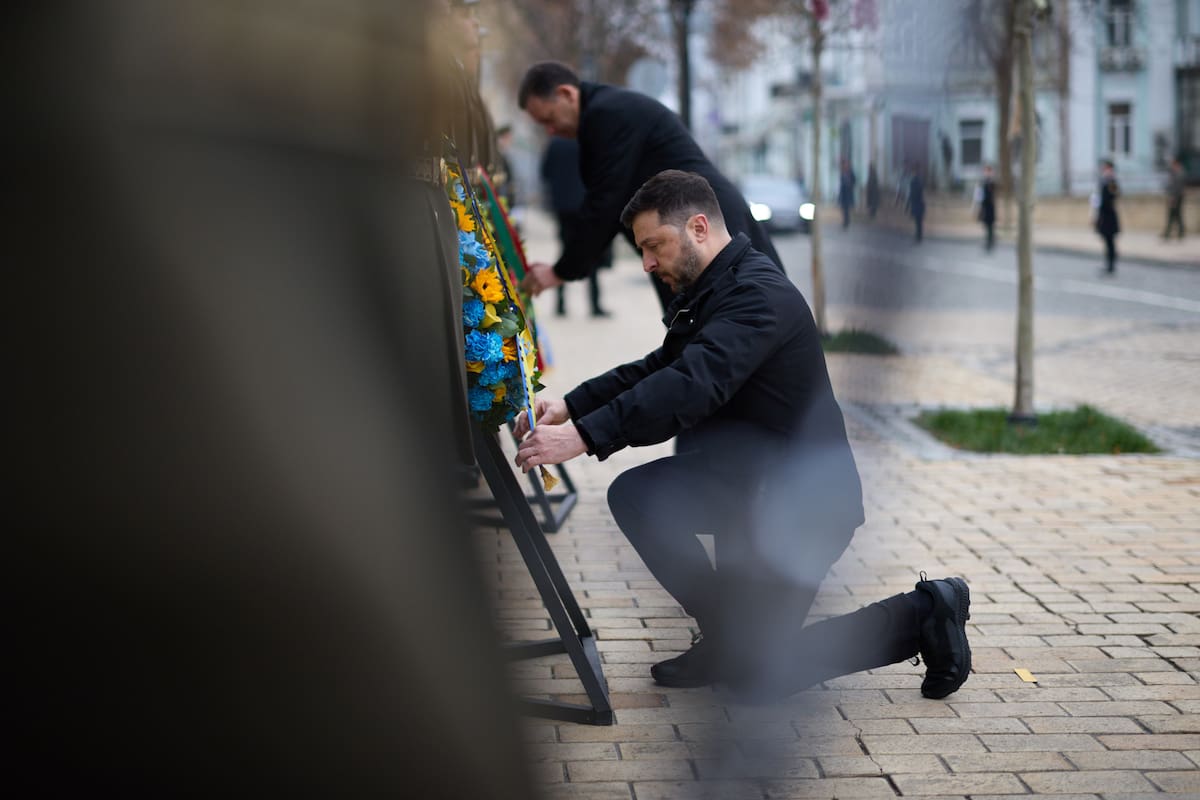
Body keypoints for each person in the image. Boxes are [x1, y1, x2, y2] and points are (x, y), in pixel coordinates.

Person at [512, 170, 971, 701]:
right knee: (636, 495)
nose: (647, 264)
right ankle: (731, 637)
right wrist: (572, 406)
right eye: (642, 251)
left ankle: (924, 611)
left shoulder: (758, 296)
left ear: (698, 228)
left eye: (654, 246)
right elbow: (661, 365)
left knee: (760, 678)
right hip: (744, 485)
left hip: (802, 506)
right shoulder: (714, 286)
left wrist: (585, 436)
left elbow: (691, 384)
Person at [516, 61, 783, 312]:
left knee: (731, 320)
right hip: (698, 225)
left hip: (707, 230)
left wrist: (560, 271)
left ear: (566, 94)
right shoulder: (606, 109)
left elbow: (605, 202)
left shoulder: (606, 114)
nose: (550, 131)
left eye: (549, 119)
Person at [541, 136, 611, 317]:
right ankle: (595, 304)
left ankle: (560, 304)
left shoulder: (555, 144)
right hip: (585, 205)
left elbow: (545, 173)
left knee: (565, 250)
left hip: (563, 207)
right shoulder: (589, 141)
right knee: (590, 252)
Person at [1095, 160, 1121, 275]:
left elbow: (1115, 195)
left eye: (1106, 168)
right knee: (1106, 240)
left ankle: (1111, 264)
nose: (1104, 170)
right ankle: (1108, 263)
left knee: (1110, 241)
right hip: (1103, 215)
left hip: (1109, 215)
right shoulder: (1104, 181)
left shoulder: (1111, 181)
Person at [974, 164, 997, 251]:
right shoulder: (983, 182)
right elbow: (979, 194)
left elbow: (991, 194)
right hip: (985, 206)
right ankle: (989, 240)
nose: (986, 173)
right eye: (985, 171)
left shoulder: (991, 182)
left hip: (990, 206)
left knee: (990, 224)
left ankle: (991, 240)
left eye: (988, 171)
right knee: (986, 224)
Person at [1163, 158, 1185, 240]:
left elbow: (1177, 187)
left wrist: (1173, 197)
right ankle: (1176, 232)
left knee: (1174, 215)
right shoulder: (1176, 173)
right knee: (1175, 215)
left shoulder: (1179, 174)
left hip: (1176, 198)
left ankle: (1171, 232)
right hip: (1176, 197)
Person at [838, 158, 857, 229]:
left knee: (847, 209)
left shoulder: (850, 172)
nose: (844, 166)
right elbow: (841, 185)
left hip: (848, 194)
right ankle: (845, 221)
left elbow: (854, 181)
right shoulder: (843, 173)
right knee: (844, 209)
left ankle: (847, 221)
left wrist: (850, 185)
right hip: (843, 195)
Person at [908, 166, 926, 243]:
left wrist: (910, 200)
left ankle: (918, 236)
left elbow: (913, 193)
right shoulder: (919, 180)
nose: (912, 173)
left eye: (913, 172)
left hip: (917, 204)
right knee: (919, 222)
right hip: (920, 204)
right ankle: (919, 236)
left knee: (918, 222)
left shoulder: (914, 181)